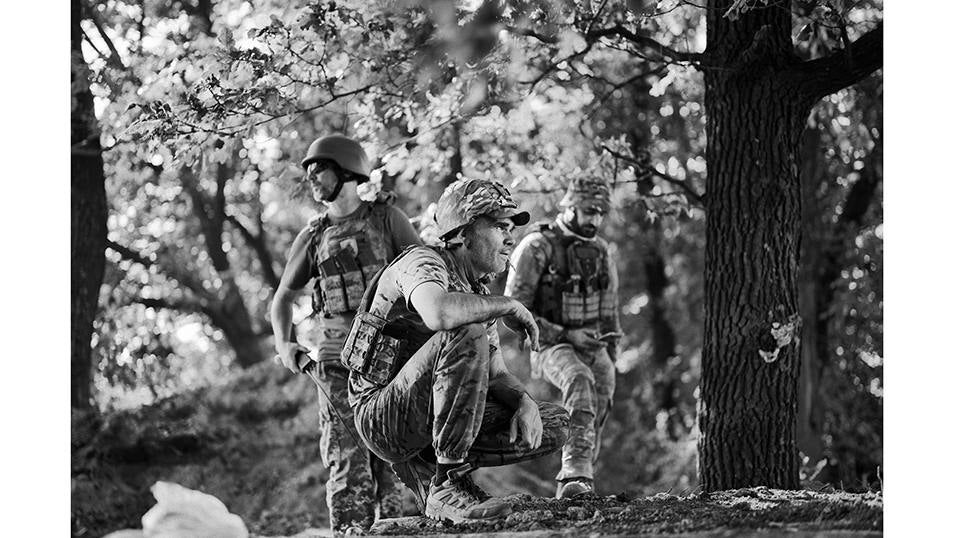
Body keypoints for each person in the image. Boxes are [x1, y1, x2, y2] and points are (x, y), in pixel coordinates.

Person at [340, 178, 570, 524]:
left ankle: (438, 476)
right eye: (499, 227)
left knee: (553, 423)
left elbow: (497, 375)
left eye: (511, 229)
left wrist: (524, 402)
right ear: (462, 233)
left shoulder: (475, 292)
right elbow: (439, 313)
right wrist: (508, 305)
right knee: (466, 330)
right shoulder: (423, 261)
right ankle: (448, 483)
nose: (510, 238)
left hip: (427, 415)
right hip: (382, 417)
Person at [270, 134, 422, 534]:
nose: (312, 178)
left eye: (319, 169)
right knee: (345, 466)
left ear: (347, 171)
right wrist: (285, 344)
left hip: (391, 364)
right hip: (335, 367)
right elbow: (282, 298)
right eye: (308, 171)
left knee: (396, 464)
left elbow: (427, 277)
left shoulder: (388, 220)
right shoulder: (313, 236)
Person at [503, 177, 620, 499]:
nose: (595, 219)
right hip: (550, 344)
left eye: (601, 213)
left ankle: (580, 484)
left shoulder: (600, 251)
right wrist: (566, 334)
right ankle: (575, 473)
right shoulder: (538, 247)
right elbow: (512, 310)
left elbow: (610, 309)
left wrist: (611, 349)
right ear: (570, 206)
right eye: (589, 211)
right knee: (579, 378)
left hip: (592, 343)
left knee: (602, 393)